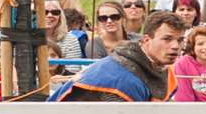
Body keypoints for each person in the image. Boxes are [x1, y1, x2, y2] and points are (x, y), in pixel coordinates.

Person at [51, 11, 184, 102]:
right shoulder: (119, 78)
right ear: (147, 40)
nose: (175, 46)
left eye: (179, 40)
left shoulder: (162, 70)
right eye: (167, 39)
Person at [171, 26, 206, 102]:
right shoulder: (183, 63)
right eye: (200, 44)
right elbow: (183, 95)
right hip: (190, 109)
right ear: (192, 48)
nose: (205, 47)